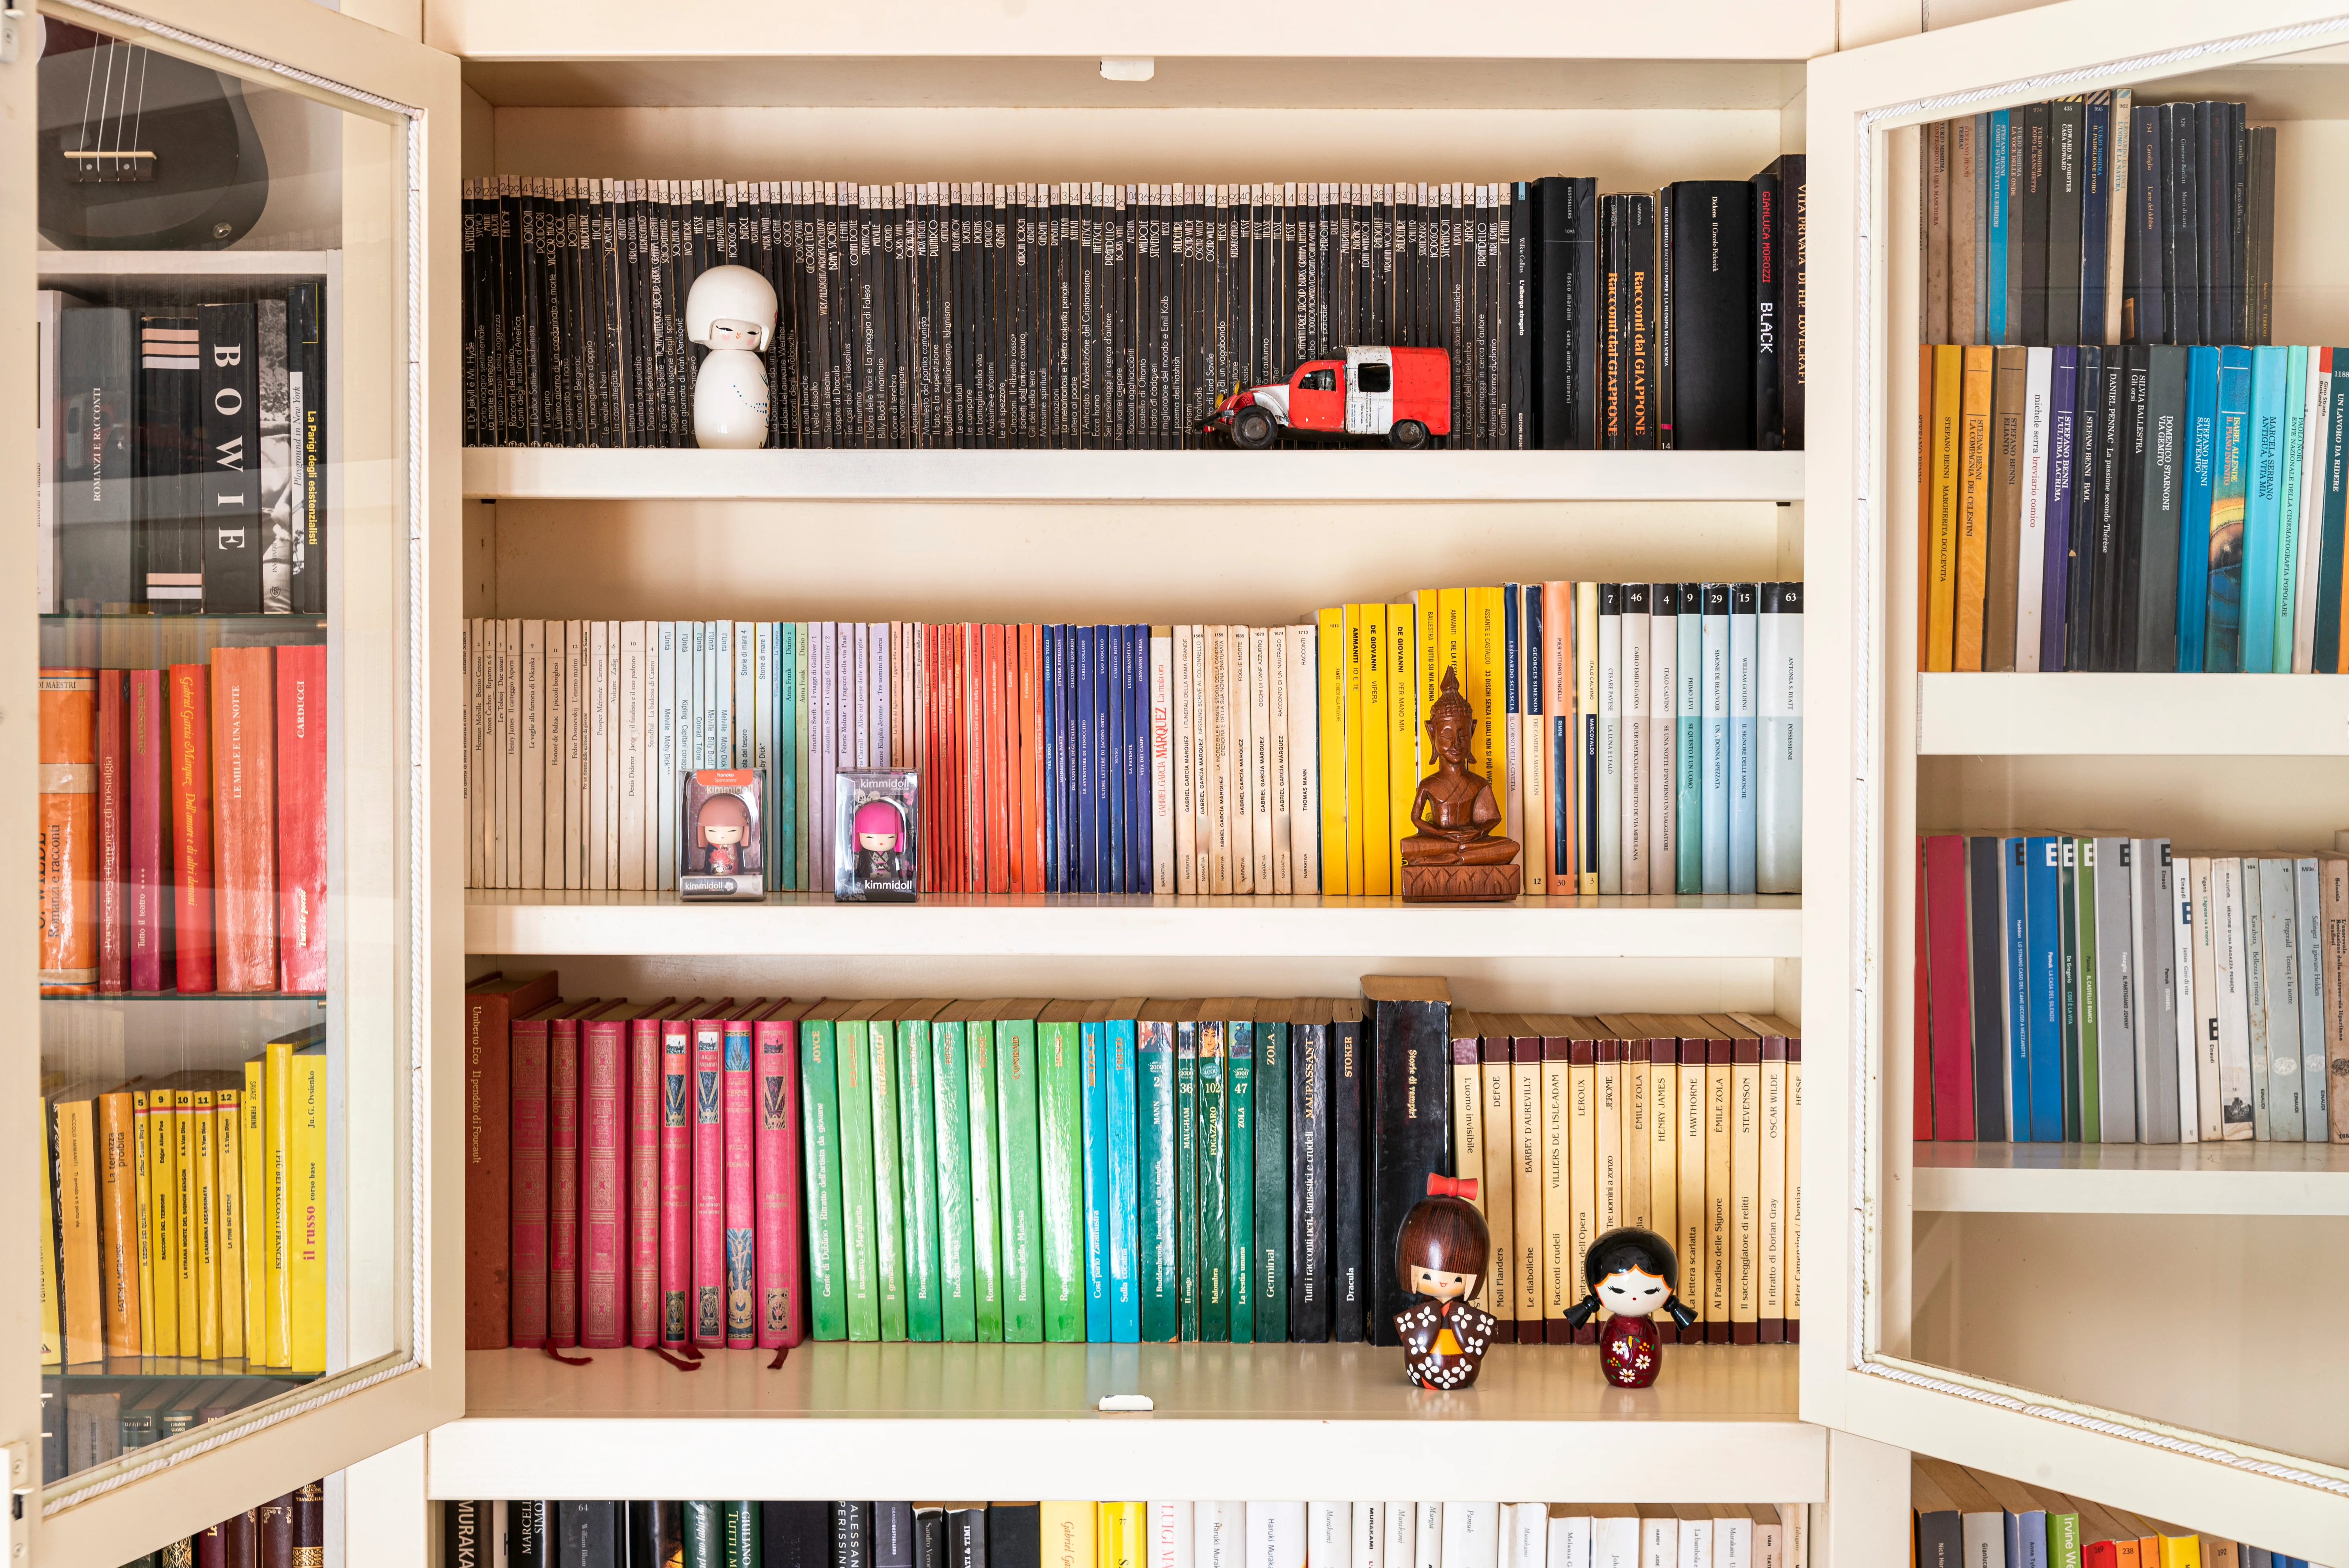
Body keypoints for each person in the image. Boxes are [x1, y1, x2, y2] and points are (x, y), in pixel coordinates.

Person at [1401, 667, 1519, 867]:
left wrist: (1478, 832)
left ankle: (1452, 858)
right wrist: (1441, 833)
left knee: (1509, 846)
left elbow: (1493, 818)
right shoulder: (1428, 785)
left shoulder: (1479, 784)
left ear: (1472, 731)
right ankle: (1458, 857)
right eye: (1447, 736)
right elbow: (1416, 819)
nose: (1456, 744)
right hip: (1441, 841)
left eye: (1463, 735)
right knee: (1409, 846)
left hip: (1472, 842)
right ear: (1432, 734)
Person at [1391, 1174, 1497, 1390]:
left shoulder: (1464, 1312)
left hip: (1463, 1370)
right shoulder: (1423, 1308)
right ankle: (1423, 1377)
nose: (1442, 1284)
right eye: (1428, 1276)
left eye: (1458, 1278)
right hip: (1421, 1372)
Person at [1562, 1225, 1702, 1388]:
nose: (1634, 1297)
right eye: (1617, 1290)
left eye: (1651, 1291)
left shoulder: (1648, 1326)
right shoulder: (1617, 1325)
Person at [695, 792, 752, 876]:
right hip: (712, 880)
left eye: (733, 831)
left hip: (737, 876)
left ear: (744, 830)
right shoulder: (711, 846)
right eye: (712, 831)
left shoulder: (737, 846)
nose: (722, 836)